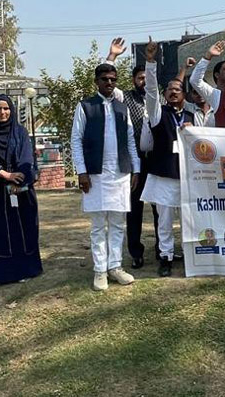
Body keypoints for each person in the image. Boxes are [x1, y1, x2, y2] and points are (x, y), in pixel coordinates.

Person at [70, 63, 140, 291]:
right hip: (95, 174)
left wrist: (136, 168)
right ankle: (100, 270)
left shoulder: (122, 108)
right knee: (99, 225)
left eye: (113, 79)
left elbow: (130, 139)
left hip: (120, 173)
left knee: (118, 223)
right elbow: (76, 140)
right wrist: (81, 171)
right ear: (96, 82)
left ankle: (115, 267)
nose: (109, 83)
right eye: (105, 79)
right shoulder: (85, 106)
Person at [141, 38, 195, 277]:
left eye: (177, 89)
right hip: (163, 175)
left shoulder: (192, 116)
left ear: (184, 94)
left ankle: (190, 254)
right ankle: (165, 256)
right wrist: (150, 62)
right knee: (164, 221)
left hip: (187, 175)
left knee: (188, 218)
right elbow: (150, 91)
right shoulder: (157, 113)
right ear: (164, 94)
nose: (173, 92)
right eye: (169, 90)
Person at [0, 95, 43, 286]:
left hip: (19, 189)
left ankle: (24, 270)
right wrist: (5, 174)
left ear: (11, 111)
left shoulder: (20, 132)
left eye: (6, 108)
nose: (2, 112)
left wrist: (18, 181)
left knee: (22, 229)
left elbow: (27, 158)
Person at [106, 37, 160, 270]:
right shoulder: (124, 98)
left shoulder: (157, 98)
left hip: (156, 160)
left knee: (159, 208)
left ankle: (163, 249)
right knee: (134, 210)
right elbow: (107, 82)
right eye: (140, 78)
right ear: (133, 80)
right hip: (134, 161)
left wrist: (150, 60)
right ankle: (136, 252)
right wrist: (112, 56)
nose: (143, 81)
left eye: (146, 77)